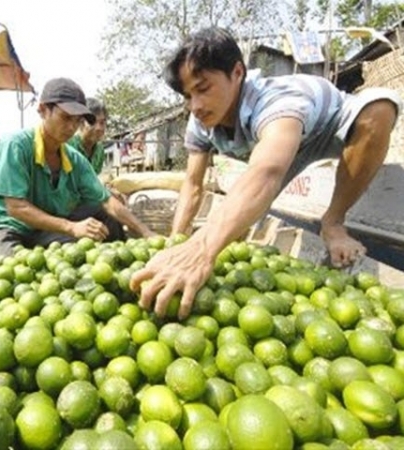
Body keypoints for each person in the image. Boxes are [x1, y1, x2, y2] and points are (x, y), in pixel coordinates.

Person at [130, 27, 401, 319]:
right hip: (277, 152)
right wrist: (177, 243)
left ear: (237, 72)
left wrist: (202, 248)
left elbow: (267, 170)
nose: (195, 105)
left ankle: (333, 222)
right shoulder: (201, 122)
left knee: (379, 107)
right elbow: (193, 185)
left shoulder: (275, 99)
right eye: (188, 95)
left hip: (328, 130)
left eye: (203, 88)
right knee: (235, 224)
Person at [0, 77, 155, 266]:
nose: (71, 127)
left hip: (45, 228)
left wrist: (146, 233)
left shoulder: (74, 159)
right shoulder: (16, 145)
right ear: (43, 110)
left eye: (77, 121)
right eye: (66, 117)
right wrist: (71, 227)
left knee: (106, 214)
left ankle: (118, 264)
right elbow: (15, 207)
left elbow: (107, 201)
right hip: (7, 226)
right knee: (8, 274)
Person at [67, 97, 107, 174]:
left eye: (102, 123)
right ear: (80, 123)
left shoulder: (100, 150)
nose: (99, 128)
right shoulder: (68, 146)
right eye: (92, 122)